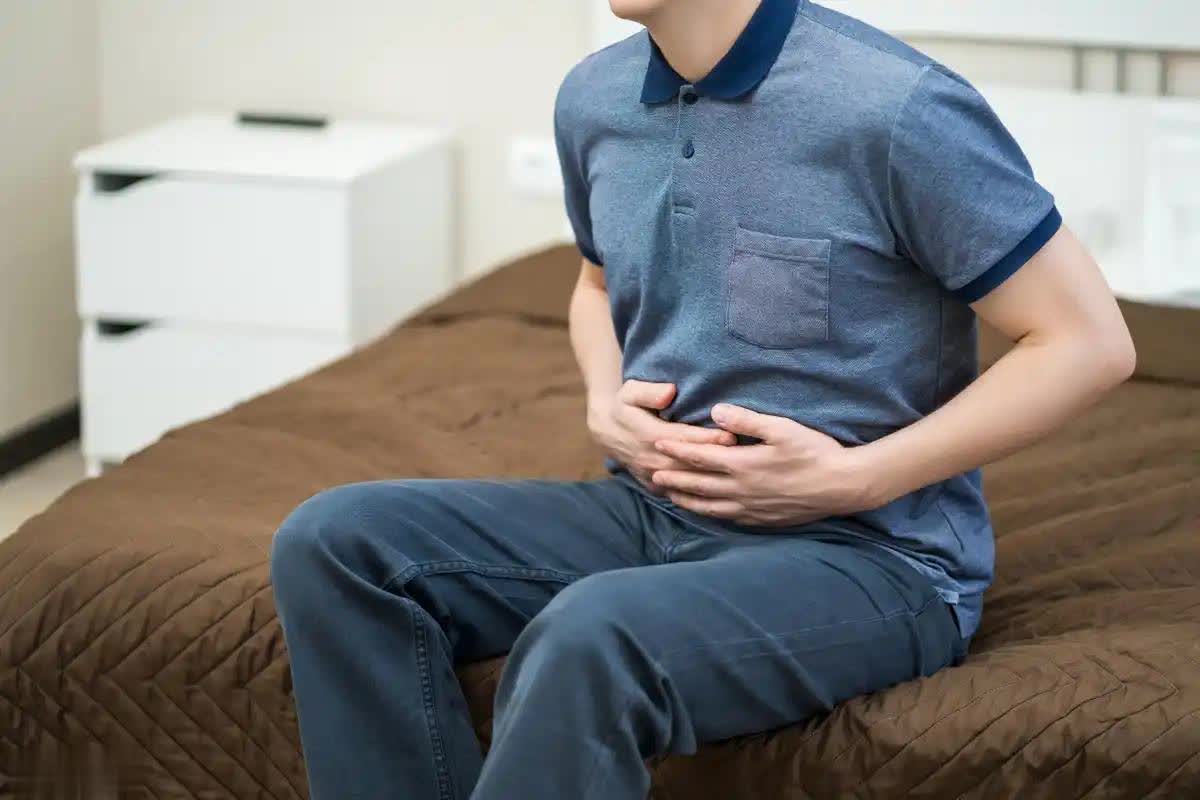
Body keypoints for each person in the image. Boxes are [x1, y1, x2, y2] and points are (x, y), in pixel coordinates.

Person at [269, 1, 1136, 797]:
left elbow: (1087, 343)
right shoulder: (594, 98)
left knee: (592, 636)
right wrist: (604, 399)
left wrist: (856, 478)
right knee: (336, 543)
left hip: (874, 556)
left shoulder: (896, 108)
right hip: (654, 510)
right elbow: (593, 284)